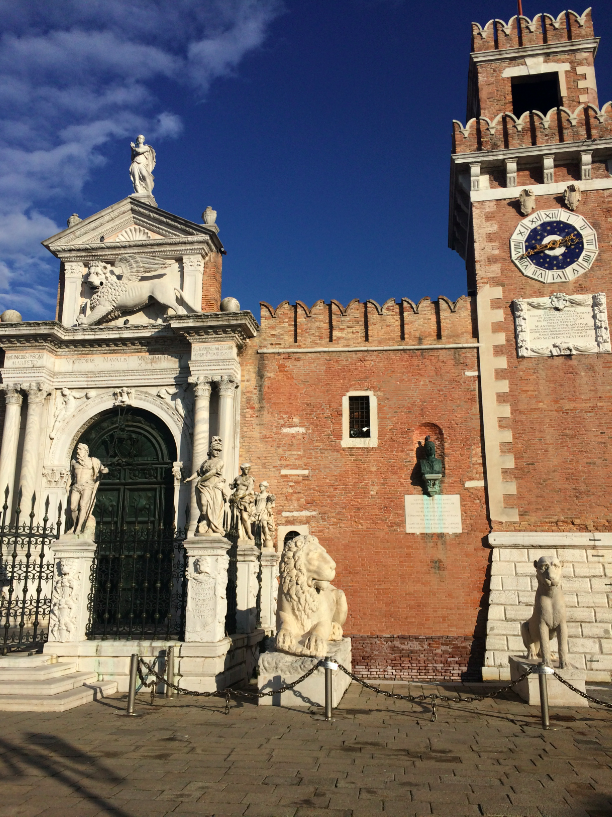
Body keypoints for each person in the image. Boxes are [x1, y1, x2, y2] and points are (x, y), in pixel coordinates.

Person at [185, 437, 228, 535]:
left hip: (214, 487)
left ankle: (212, 526)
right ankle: (205, 521)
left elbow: (213, 472)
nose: (217, 452)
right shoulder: (205, 462)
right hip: (204, 486)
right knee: (203, 505)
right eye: (215, 450)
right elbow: (198, 472)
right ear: (211, 450)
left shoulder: (220, 462)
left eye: (219, 451)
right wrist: (190, 478)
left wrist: (201, 479)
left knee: (214, 507)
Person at [65, 443, 108, 535]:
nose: (78, 451)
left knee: (83, 505)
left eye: (80, 449)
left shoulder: (93, 461)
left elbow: (103, 469)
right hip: (76, 486)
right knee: (73, 507)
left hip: (87, 486)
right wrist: (67, 485)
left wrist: (104, 470)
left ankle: (79, 527)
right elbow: (71, 475)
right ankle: (75, 524)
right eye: (77, 449)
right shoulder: (74, 462)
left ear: (86, 451)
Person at [230, 464, 255, 541]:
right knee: (237, 517)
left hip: (244, 499)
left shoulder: (250, 479)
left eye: (248, 469)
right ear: (242, 469)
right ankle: (240, 535)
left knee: (244, 517)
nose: (247, 471)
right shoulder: (237, 478)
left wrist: (242, 495)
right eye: (246, 469)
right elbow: (233, 487)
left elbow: (249, 490)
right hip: (236, 498)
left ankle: (249, 533)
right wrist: (231, 485)